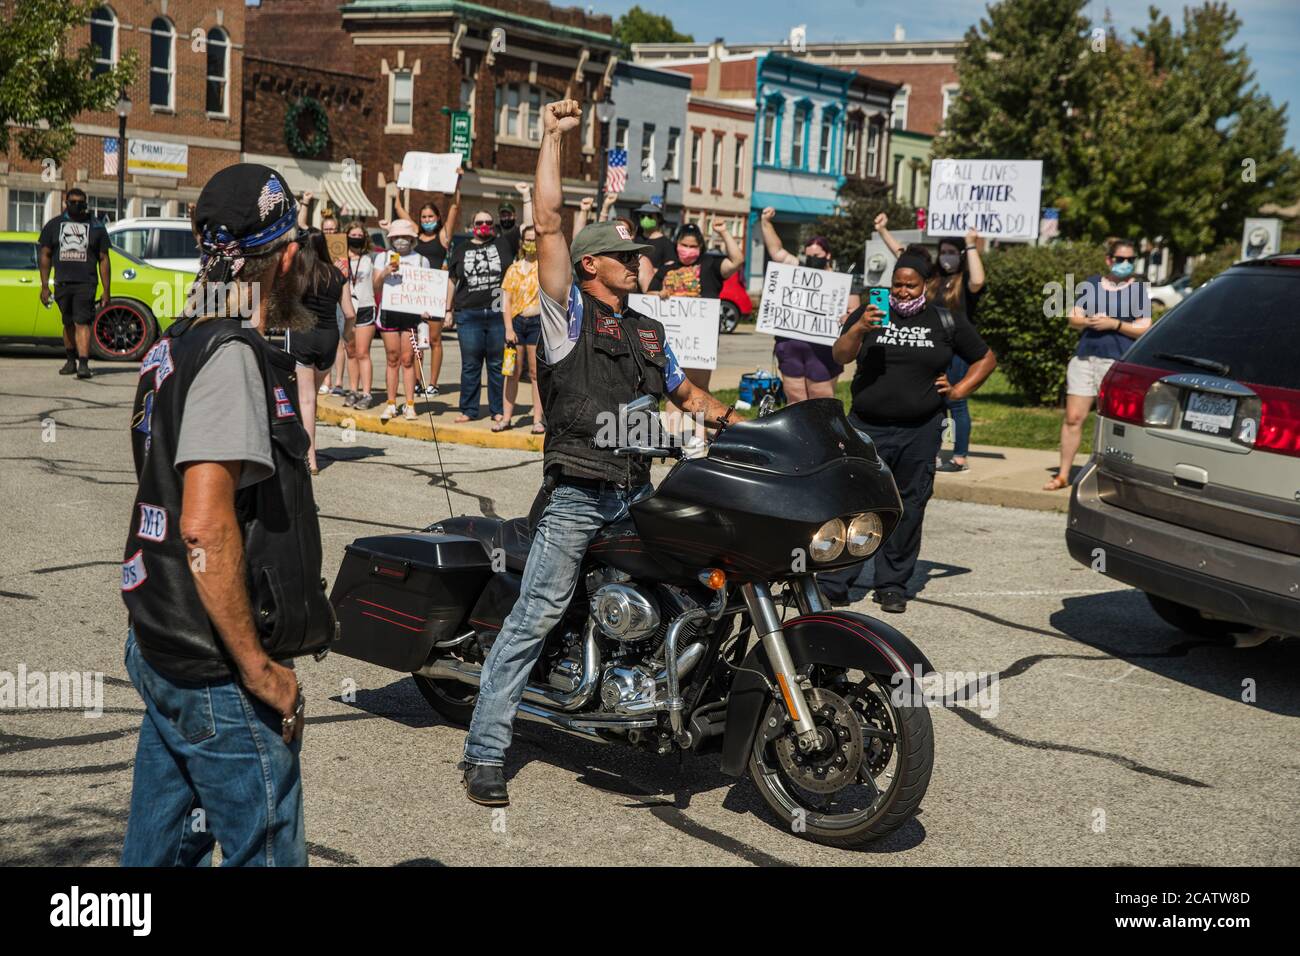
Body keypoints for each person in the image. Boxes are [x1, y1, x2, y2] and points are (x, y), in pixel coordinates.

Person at [460, 99, 734, 807]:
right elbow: (547, 221)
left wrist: (743, 419)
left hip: (637, 491)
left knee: (691, 589)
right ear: (590, 266)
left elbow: (686, 398)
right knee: (539, 608)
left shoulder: (646, 330)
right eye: (625, 255)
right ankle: (486, 748)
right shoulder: (565, 318)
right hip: (580, 492)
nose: (640, 261)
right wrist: (551, 137)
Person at [120, 164, 332, 866]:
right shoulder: (230, 354)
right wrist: (259, 669)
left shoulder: (180, 336)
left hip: (163, 638)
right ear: (288, 259)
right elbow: (204, 525)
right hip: (213, 665)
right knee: (265, 845)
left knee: (160, 846)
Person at [823, 246, 998, 613]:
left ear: (925, 285)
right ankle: (835, 582)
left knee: (909, 506)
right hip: (866, 428)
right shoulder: (869, 313)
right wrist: (858, 327)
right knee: (853, 504)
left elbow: (985, 358)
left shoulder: (944, 320)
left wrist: (959, 390)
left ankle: (892, 585)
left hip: (919, 431)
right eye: (897, 285)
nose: (902, 291)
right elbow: (840, 355)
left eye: (911, 285)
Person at [1045, 238, 1151, 490]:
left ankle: (1110, 477)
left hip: (1116, 361)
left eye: (1130, 260)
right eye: (1120, 259)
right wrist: (1089, 321)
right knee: (1073, 417)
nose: (1125, 264)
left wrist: (1114, 324)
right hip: (1085, 357)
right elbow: (1073, 317)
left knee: (1112, 421)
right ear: (1109, 260)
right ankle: (1063, 475)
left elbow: (1144, 328)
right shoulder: (1091, 284)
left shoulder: (1137, 290)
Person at [284, 229, 357, 474]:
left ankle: (310, 458)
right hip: (328, 339)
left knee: (305, 399)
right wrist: (347, 335)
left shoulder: (297, 273)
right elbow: (349, 313)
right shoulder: (337, 275)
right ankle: (306, 449)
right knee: (311, 398)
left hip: (303, 336)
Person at [647, 218, 744, 397]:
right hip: (673, 338)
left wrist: (723, 232)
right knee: (675, 390)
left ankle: (700, 426)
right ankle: (675, 426)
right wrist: (659, 294)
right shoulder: (667, 269)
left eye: (693, 246)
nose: (688, 250)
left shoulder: (711, 264)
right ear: (677, 244)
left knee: (700, 388)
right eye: (684, 245)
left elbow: (737, 261)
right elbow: (648, 298)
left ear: (700, 247)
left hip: (700, 340)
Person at [759, 208, 843, 403]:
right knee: (795, 399)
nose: (813, 258)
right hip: (791, 345)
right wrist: (766, 223)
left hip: (823, 349)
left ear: (828, 255)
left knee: (821, 400)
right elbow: (777, 252)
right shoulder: (797, 269)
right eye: (809, 254)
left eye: (817, 254)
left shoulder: (838, 281)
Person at [395, 173, 462, 397]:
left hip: (435, 295)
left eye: (430, 216)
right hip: (416, 295)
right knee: (416, 341)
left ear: (437, 217)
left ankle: (432, 383)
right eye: (423, 217)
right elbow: (399, 209)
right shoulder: (415, 233)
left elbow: (454, 208)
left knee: (434, 340)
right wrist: (400, 188)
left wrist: (457, 183)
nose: (426, 220)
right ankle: (416, 379)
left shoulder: (443, 237)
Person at [446, 209, 514, 423]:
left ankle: (497, 409)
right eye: (479, 222)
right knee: (470, 364)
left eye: (488, 222)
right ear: (472, 225)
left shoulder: (503, 244)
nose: (484, 225)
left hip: (497, 313)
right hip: (469, 313)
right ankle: (468, 409)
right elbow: (452, 279)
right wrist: (448, 310)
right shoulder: (461, 249)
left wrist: (525, 197)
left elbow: (527, 226)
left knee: (496, 365)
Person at [37, 187, 111, 379]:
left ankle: (84, 364)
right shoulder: (53, 225)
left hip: (86, 283)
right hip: (62, 282)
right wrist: (45, 286)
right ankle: (70, 361)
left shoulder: (96, 227)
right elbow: (44, 255)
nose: (77, 206)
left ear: (86, 204)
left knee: (82, 321)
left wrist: (106, 290)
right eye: (73, 202)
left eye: (81, 203)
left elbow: (104, 259)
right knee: (68, 322)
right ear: (66, 203)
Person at [373, 219, 433, 422]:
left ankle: (409, 404)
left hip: (410, 314)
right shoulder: (383, 258)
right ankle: (391, 404)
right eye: (396, 237)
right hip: (389, 311)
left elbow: (427, 288)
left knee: (408, 359)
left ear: (412, 238)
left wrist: (427, 308)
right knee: (392, 358)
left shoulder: (421, 260)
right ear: (391, 239)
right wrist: (385, 273)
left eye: (404, 237)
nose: (401, 240)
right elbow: (375, 285)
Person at [498, 224, 545, 433]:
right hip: (516, 322)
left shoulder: (544, 267)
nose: (531, 243)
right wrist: (508, 328)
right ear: (522, 242)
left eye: (534, 239)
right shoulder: (514, 268)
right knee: (512, 371)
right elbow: (505, 300)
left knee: (535, 372)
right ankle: (506, 417)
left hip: (536, 323)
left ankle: (537, 418)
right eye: (527, 239)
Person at [339, 220, 378, 410]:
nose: (355, 239)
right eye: (352, 235)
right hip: (347, 309)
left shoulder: (371, 258)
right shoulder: (339, 259)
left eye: (359, 236)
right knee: (350, 352)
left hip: (365, 307)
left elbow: (378, 280)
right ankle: (353, 390)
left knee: (363, 352)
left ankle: (367, 393)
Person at [634, 201, 674, 291]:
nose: (645, 219)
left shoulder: (666, 243)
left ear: (658, 219)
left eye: (650, 216)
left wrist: (654, 270)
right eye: (642, 216)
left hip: (652, 291)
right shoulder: (635, 239)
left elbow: (671, 267)